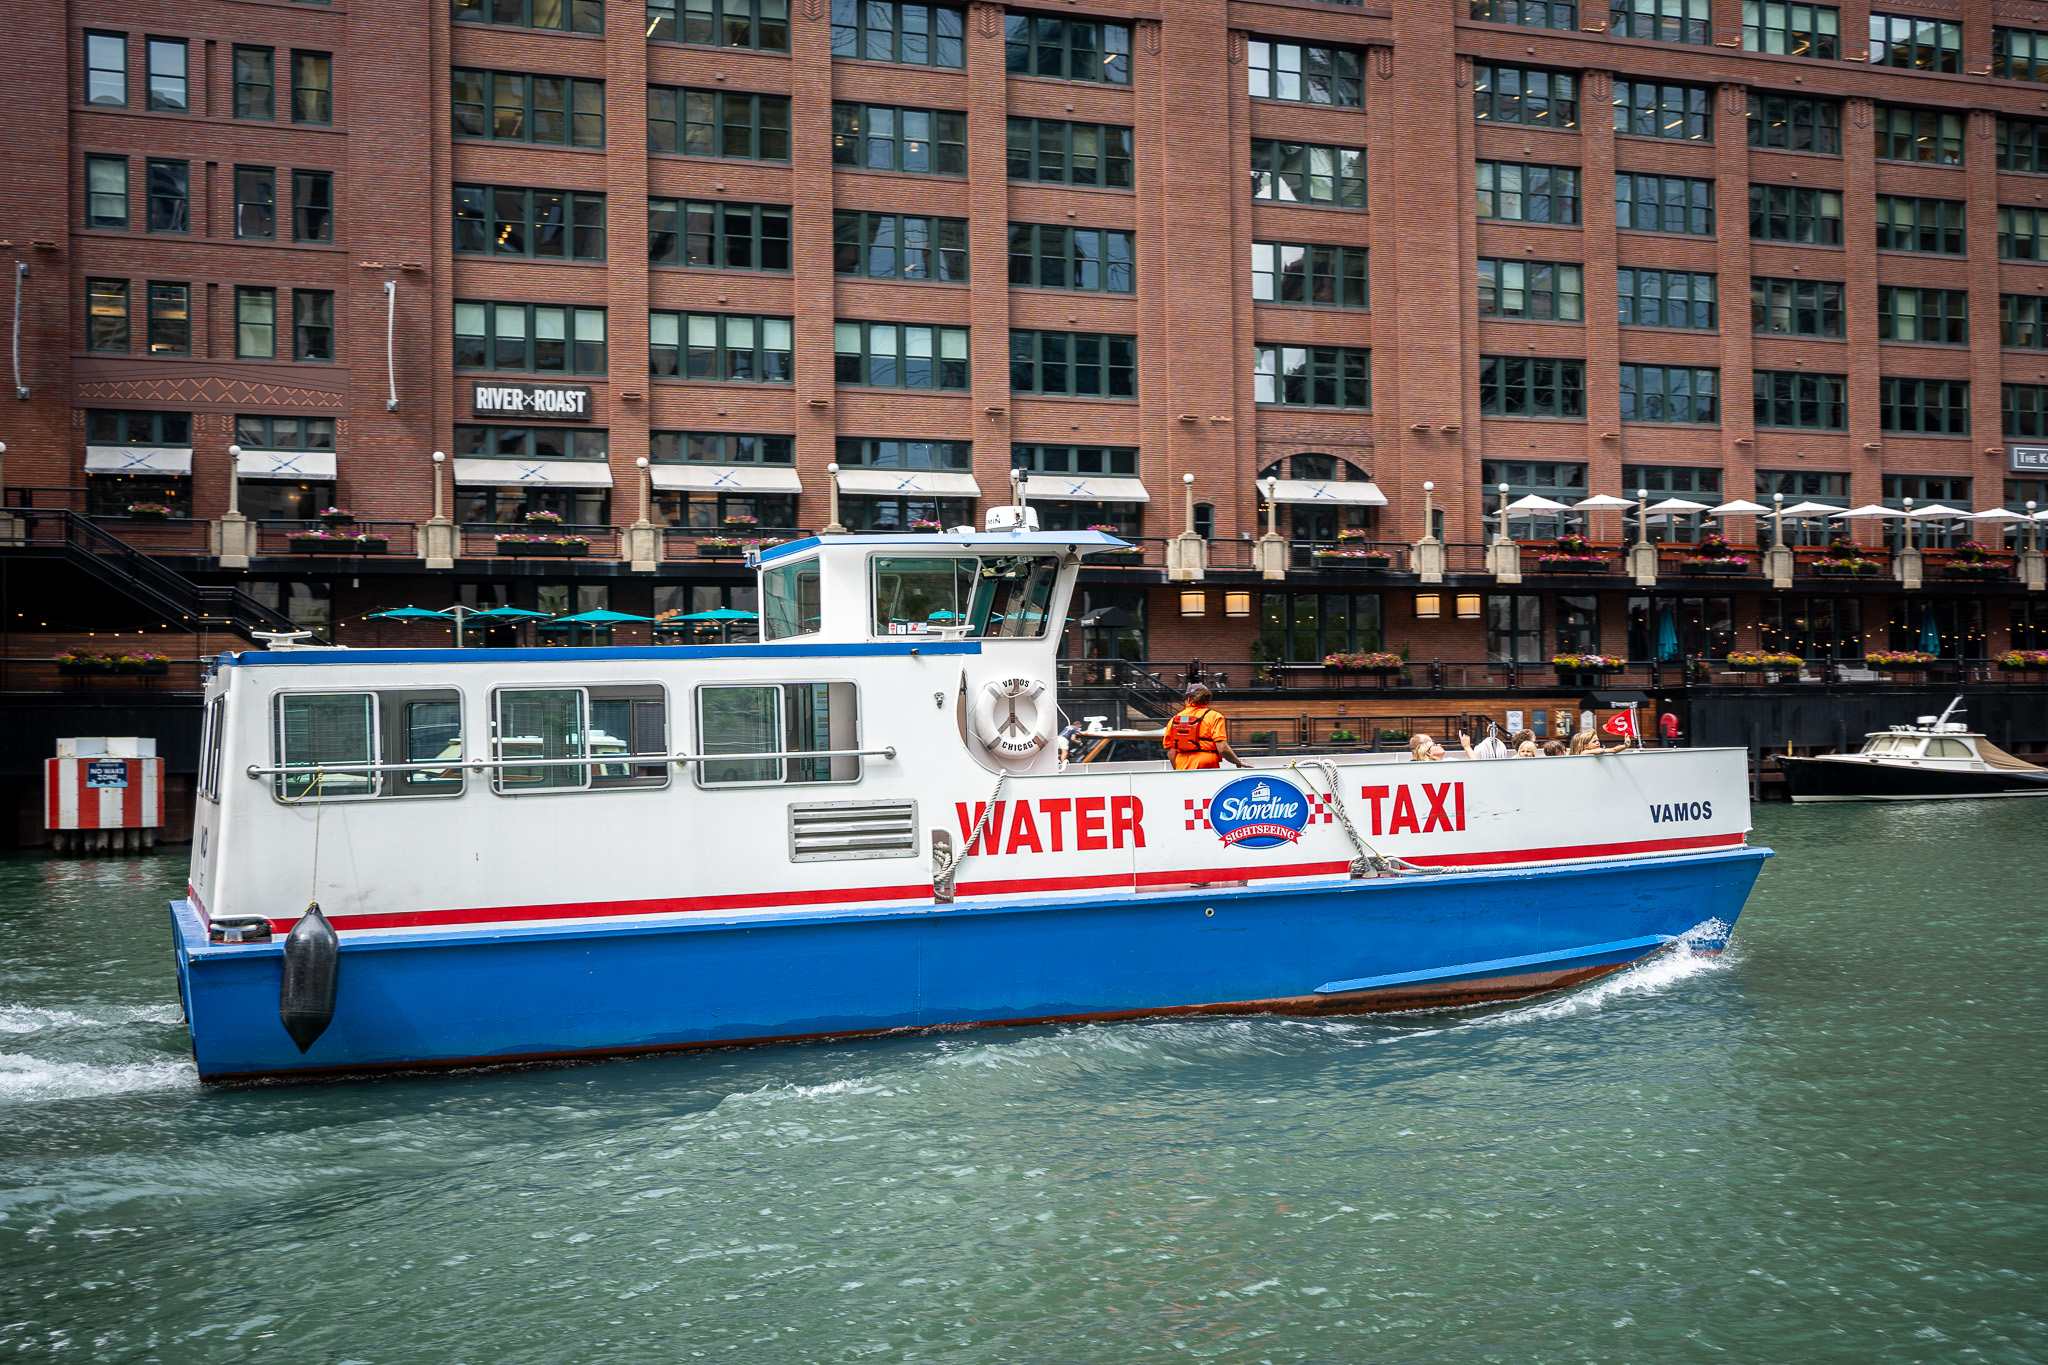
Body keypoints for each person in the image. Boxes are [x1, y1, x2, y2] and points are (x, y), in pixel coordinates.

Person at [1162, 685, 1249, 770]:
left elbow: (1171, 753)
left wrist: (1178, 770)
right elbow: (1222, 748)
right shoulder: (1215, 716)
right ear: (1207, 699)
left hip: (1182, 764)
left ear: (1188, 699)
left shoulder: (1174, 720)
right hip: (1207, 763)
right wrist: (1238, 762)